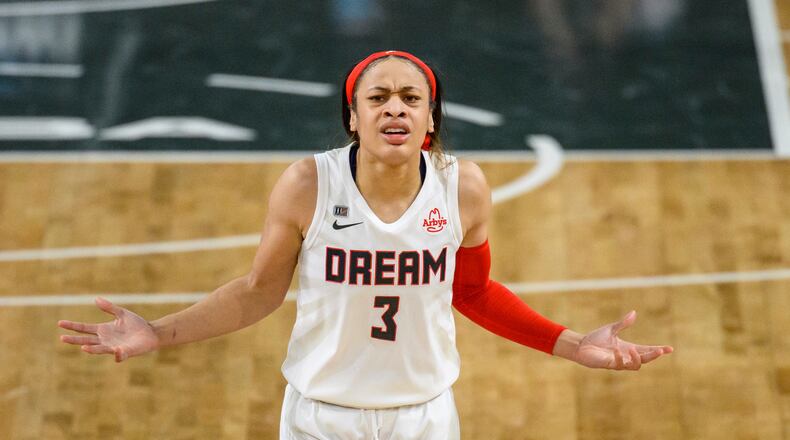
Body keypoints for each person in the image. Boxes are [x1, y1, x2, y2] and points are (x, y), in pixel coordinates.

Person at [58, 50, 674, 439]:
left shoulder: (464, 188)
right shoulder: (309, 184)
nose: (394, 109)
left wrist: (569, 345)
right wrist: (158, 333)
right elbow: (256, 294)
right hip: (321, 417)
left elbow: (474, 292)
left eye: (412, 98)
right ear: (352, 117)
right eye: (376, 98)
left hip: (424, 417)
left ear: (431, 119)